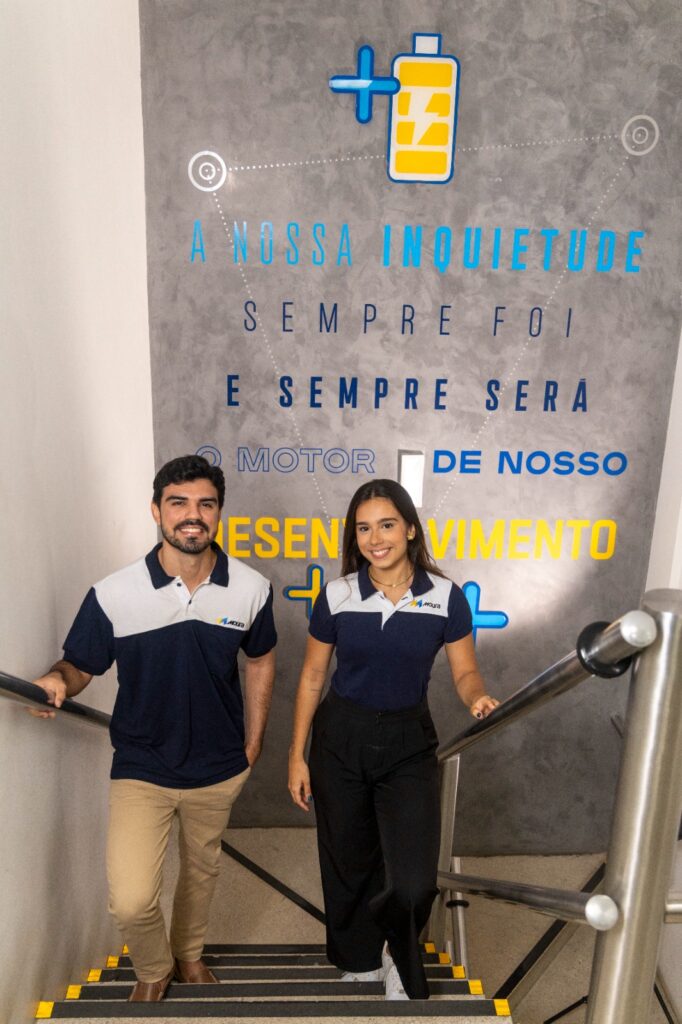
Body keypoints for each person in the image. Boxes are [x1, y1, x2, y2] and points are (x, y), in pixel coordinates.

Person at [32, 455, 276, 1002]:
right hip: (142, 765)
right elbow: (80, 665)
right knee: (132, 896)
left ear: (219, 512)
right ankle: (153, 967)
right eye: (178, 503)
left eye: (205, 504)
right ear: (156, 510)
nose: (193, 515)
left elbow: (261, 659)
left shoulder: (251, 588)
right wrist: (56, 679)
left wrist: (254, 739)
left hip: (219, 765)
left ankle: (188, 955)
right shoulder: (114, 593)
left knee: (201, 872)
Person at [288, 479, 499, 1001]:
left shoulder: (445, 596)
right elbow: (313, 677)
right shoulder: (337, 594)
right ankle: (358, 957)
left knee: (413, 879)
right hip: (339, 736)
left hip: (408, 740)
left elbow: (465, 671)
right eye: (363, 528)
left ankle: (397, 954)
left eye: (386, 525)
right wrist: (297, 755)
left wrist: (477, 697)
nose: (375, 538)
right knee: (347, 858)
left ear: (409, 529)